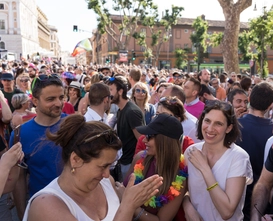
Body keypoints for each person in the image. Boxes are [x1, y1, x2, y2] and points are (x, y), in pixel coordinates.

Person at [22, 114, 163, 221]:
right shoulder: (46, 205)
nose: (107, 175)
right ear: (76, 160)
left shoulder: (107, 183)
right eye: (103, 166)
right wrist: (128, 206)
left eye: (111, 165)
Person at [183, 101, 253, 221]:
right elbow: (185, 190)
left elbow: (227, 212)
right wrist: (187, 206)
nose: (210, 128)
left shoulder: (239, 157)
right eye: (207, 121)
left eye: (218, 124)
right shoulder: (191, 152)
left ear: (229, 128)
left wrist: (205, 169)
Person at [10, 74, 67, 220]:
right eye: (50, 99)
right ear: (35, 101)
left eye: (61, 97)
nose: (58, 103)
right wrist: (24, 214)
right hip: (41, 210)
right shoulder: (19, 135)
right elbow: (19, 179)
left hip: (77, 207)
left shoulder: (76, 125)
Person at [122, 113, 187, 221]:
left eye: (149, 136)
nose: (143, 140)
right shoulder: (139, 158)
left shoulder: (179, 177)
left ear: (164, 141)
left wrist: (130, 204)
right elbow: (121, 189)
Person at [237, 82, 273, 221]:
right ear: (270, 104)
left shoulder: (233, 127)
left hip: (235, 194)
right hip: (262, 201)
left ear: (248, 99)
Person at [107, 75, 144, 179]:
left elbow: (142, 140)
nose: (108, 93)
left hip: (130, 165)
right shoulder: (120, 110)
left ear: (120, 91)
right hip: (122, 162)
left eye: (111, 90)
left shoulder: (132, 112)